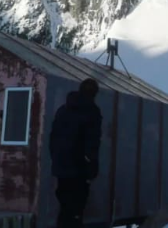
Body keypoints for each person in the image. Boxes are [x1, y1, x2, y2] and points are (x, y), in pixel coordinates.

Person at [49, 79, 103, 228]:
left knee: (65, 204)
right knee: (77, 206)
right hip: (79, 166)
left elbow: (53, 136)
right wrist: (91, 166)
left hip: (61, 165)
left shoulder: (63, 109)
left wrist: (55, 157)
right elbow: (92, 141)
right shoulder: (91, 111)